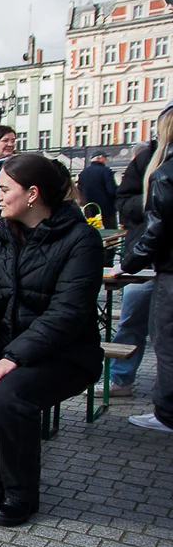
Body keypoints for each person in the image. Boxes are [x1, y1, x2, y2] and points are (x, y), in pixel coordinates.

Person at [0, 153, 103, 526]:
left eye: (3, 189)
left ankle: (21, 492)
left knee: (8, 393)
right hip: (3, 349)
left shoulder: (82, 240)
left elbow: (68, 313)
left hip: (65, 355)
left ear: (32, 194)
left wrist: (13, 356)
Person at [113, 103, 173, 433]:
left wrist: (129, 263)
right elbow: (125, 199)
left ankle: (166, 413)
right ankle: (123, 381)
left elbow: (159, 228)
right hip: (155, 261)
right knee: (139, 324)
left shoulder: (164, 171)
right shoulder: (150, 163)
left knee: (163, 340)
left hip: (158, 263)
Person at [108, 141, 158, 397]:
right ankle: (120, 379)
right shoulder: (148, 157)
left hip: (145, 257)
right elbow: (123, 202)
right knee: (131, 321)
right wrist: (156, 198)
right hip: (143, 259)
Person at [78, 151, 118, 230]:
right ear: (99, 158)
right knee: (111, 232)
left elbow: (80, 190)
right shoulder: (106, 171)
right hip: (107, 209)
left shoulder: (83, 173)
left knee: (92, 231)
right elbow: (111, 190)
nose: (106, 159)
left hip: (89, 208)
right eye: (104, 157)